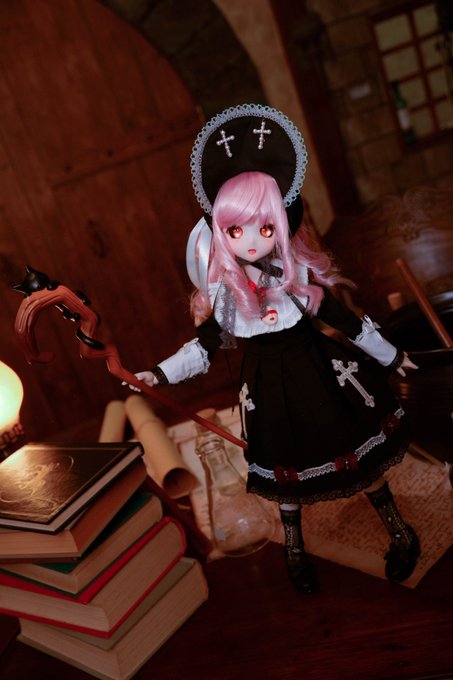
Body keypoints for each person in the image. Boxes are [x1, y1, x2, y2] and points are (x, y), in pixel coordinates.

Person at [126, 104, 419, 592]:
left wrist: (392, 355)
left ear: (281, 224)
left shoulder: (296, 277)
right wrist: (157, 374)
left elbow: (346, 321)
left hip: (319, 375)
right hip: (267, 389)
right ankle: (294, 548)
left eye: (264, 228)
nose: (251, 241)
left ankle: (399, 530)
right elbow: (203, 347)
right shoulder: (226, 294)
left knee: (359, 458)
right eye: (235, 230)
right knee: (286, 477)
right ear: (221, 231)